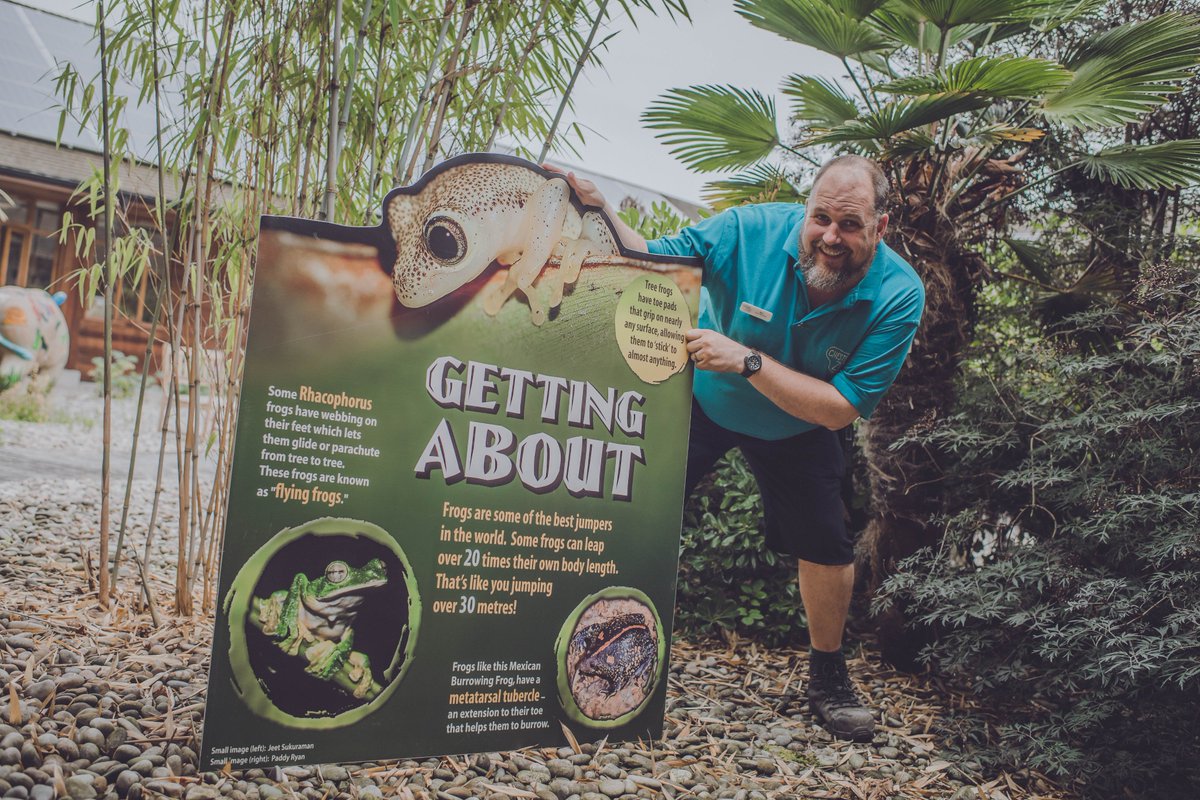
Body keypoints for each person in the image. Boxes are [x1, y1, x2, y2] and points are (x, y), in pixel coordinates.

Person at [549, 155, 924, 742]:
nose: (829, 236)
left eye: (849, 225)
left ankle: (827, 675)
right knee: (626, 504)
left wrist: (747, 361)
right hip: (705, 401)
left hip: (801, 424)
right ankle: (565, 629)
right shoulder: (746, 231)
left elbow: (839, 407)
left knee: (828, 545)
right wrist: (599, 208)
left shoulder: (900, 294)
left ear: (880, 228)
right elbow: (652, 258)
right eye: (820, 217)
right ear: (804, 211)